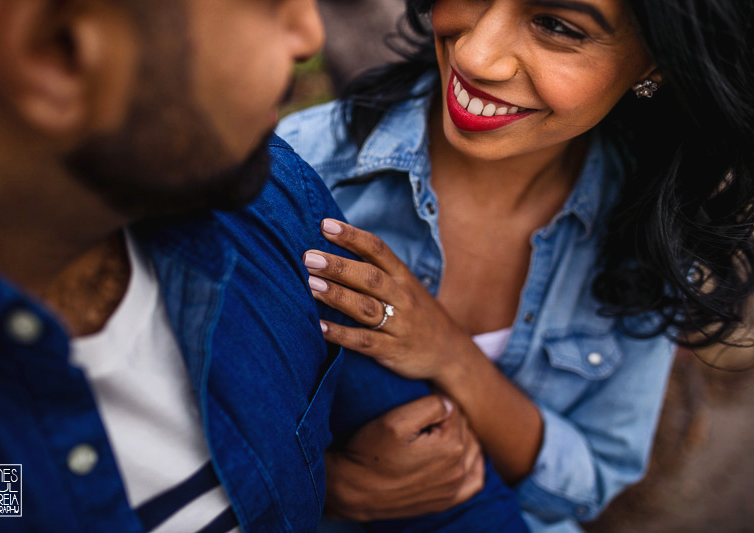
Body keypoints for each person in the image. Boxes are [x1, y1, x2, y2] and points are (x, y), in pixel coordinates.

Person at [0, 0, 529, 531]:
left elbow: (445, 487)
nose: (310, 37)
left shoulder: (271, 203)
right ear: (52, 47)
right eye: (268, 4)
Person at [278, 0, 754, 530]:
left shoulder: (651, 235)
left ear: (655, 62)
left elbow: (593, 479)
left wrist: (451, 355)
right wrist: (327, 487)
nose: (477, 55)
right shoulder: (301, 178)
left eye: (556, 26)